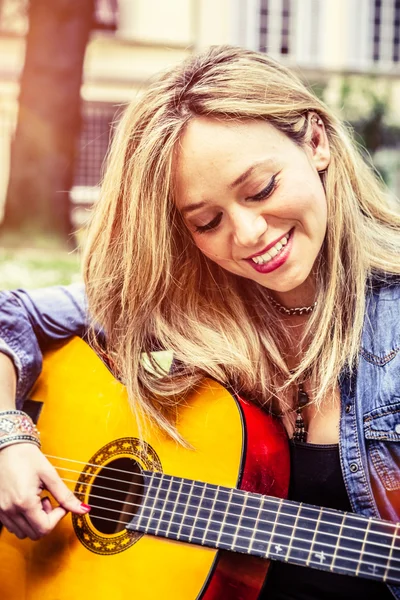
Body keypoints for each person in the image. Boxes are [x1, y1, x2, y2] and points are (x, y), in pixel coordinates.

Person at [0, 45, 399, 599]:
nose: (249, 234)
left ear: (315, 141)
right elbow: (8, 315)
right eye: (207, 221)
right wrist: (9, 440)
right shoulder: (193, 303)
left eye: (261, 189)